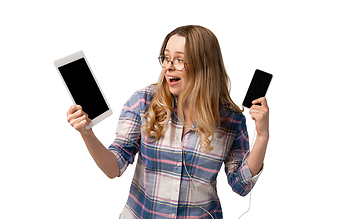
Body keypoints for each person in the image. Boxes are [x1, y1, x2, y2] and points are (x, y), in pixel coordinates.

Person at [66, 25, 270, 219]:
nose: (168, 66)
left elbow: (241, 185)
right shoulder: (143, 102)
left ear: (204, 66)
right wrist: (87, 134)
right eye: (166, 58)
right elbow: (113, 168)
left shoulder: (230, 119)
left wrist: (262, 136)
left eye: (179, 60)